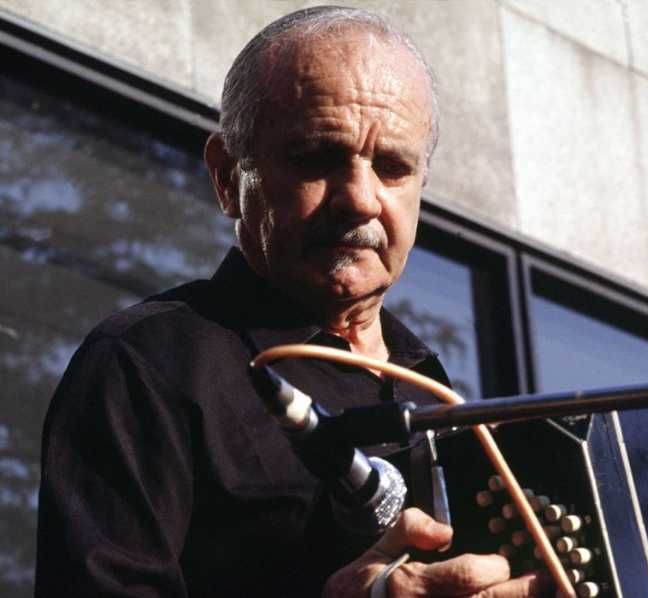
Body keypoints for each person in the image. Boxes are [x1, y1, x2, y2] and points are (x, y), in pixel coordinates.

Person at [35, 6, 547, 598]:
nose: (360, 199)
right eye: (317, 158)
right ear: (228, 177)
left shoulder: (433, 387)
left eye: (392, 167)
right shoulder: (145, 363)